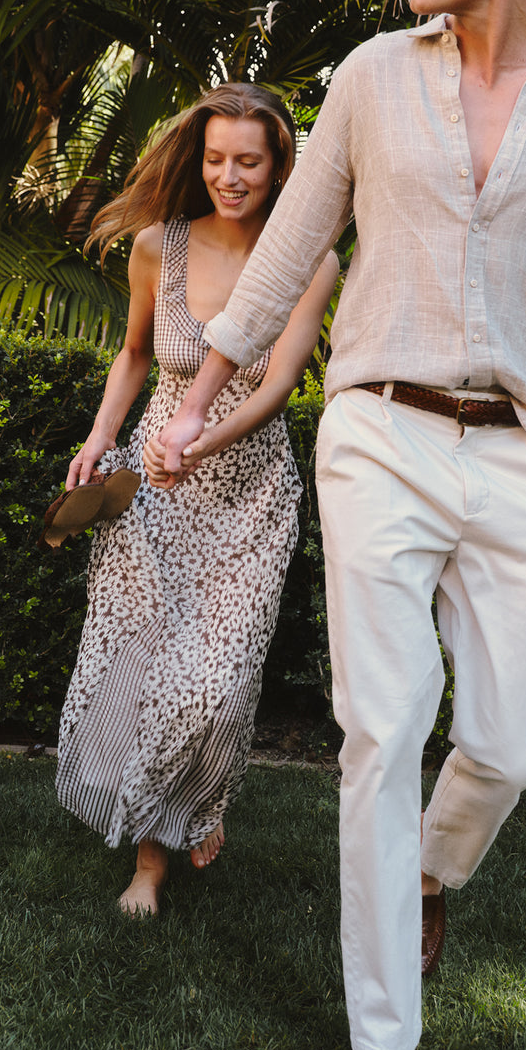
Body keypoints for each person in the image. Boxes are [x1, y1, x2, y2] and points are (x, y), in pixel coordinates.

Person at [146, 0, 526, 1050]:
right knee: (383, 727)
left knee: (513, 742)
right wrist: (192, 408)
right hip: (380, 434)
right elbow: (284, 252)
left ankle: (424, 877)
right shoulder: (370, 77)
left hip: (525, 455)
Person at [54, 82, 339, 917]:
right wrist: (101, 438)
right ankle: (151, 859)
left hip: (248, 500)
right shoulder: (157, 246)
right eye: (216, 159)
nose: (230, 175)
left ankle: (198, 797)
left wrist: (198, 440)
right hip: (155, 498)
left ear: (279, 165)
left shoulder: (311, 260)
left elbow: (280, 384)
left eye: (248, 160)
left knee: (214, 687)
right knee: (145, 671)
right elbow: (135, 354)